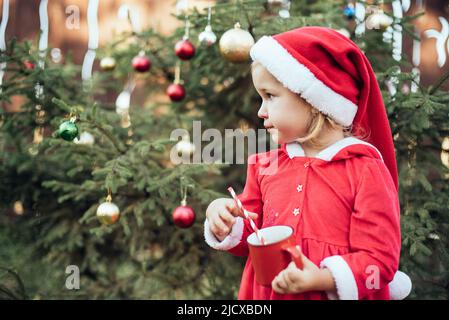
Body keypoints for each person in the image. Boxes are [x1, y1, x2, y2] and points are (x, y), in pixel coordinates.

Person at [204, 26, 412, 300]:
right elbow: (251, 233)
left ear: (314, 100)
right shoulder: (266, 165)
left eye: (270, 96)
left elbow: (379, 260)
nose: (260, 111)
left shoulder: (365, 170)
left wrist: (324, 278)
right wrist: (224, 219)